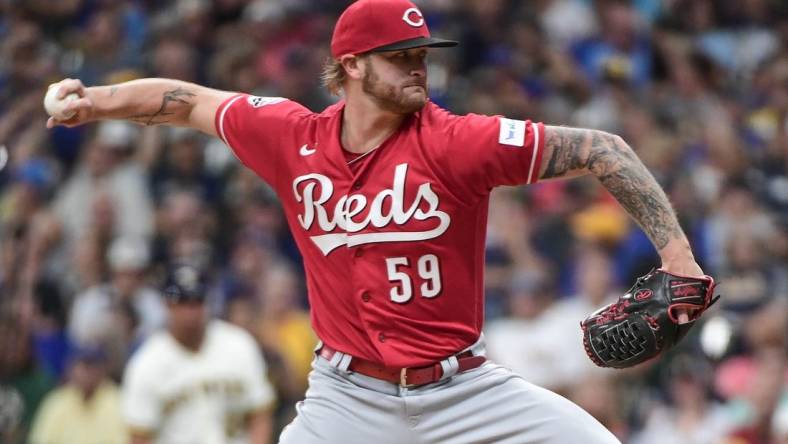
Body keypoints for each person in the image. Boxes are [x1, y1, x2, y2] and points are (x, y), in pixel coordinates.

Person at [47, 0, 710, 442]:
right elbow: (185, 100)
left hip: (466, 391)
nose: (419, 65)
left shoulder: (456, 140)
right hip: (346, 399)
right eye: (401, 56)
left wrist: (678, 258)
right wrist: (91, 100)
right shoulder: (291, 136)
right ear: (354, 65)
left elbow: (603, 149)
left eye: (421, 53)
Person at [121, 264, 275, 444]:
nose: (190, 312)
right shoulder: (146, 363)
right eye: (182, 303)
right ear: (167, 305)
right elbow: (140, 436)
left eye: (197, 302)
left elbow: (260, 414)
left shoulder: (239, 344)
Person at [28, 345, 128, 444]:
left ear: (104, 368)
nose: (87, 372)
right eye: (82, 365)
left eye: (93, 365)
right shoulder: (56, 401)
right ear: (70, 368)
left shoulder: (119, 401)